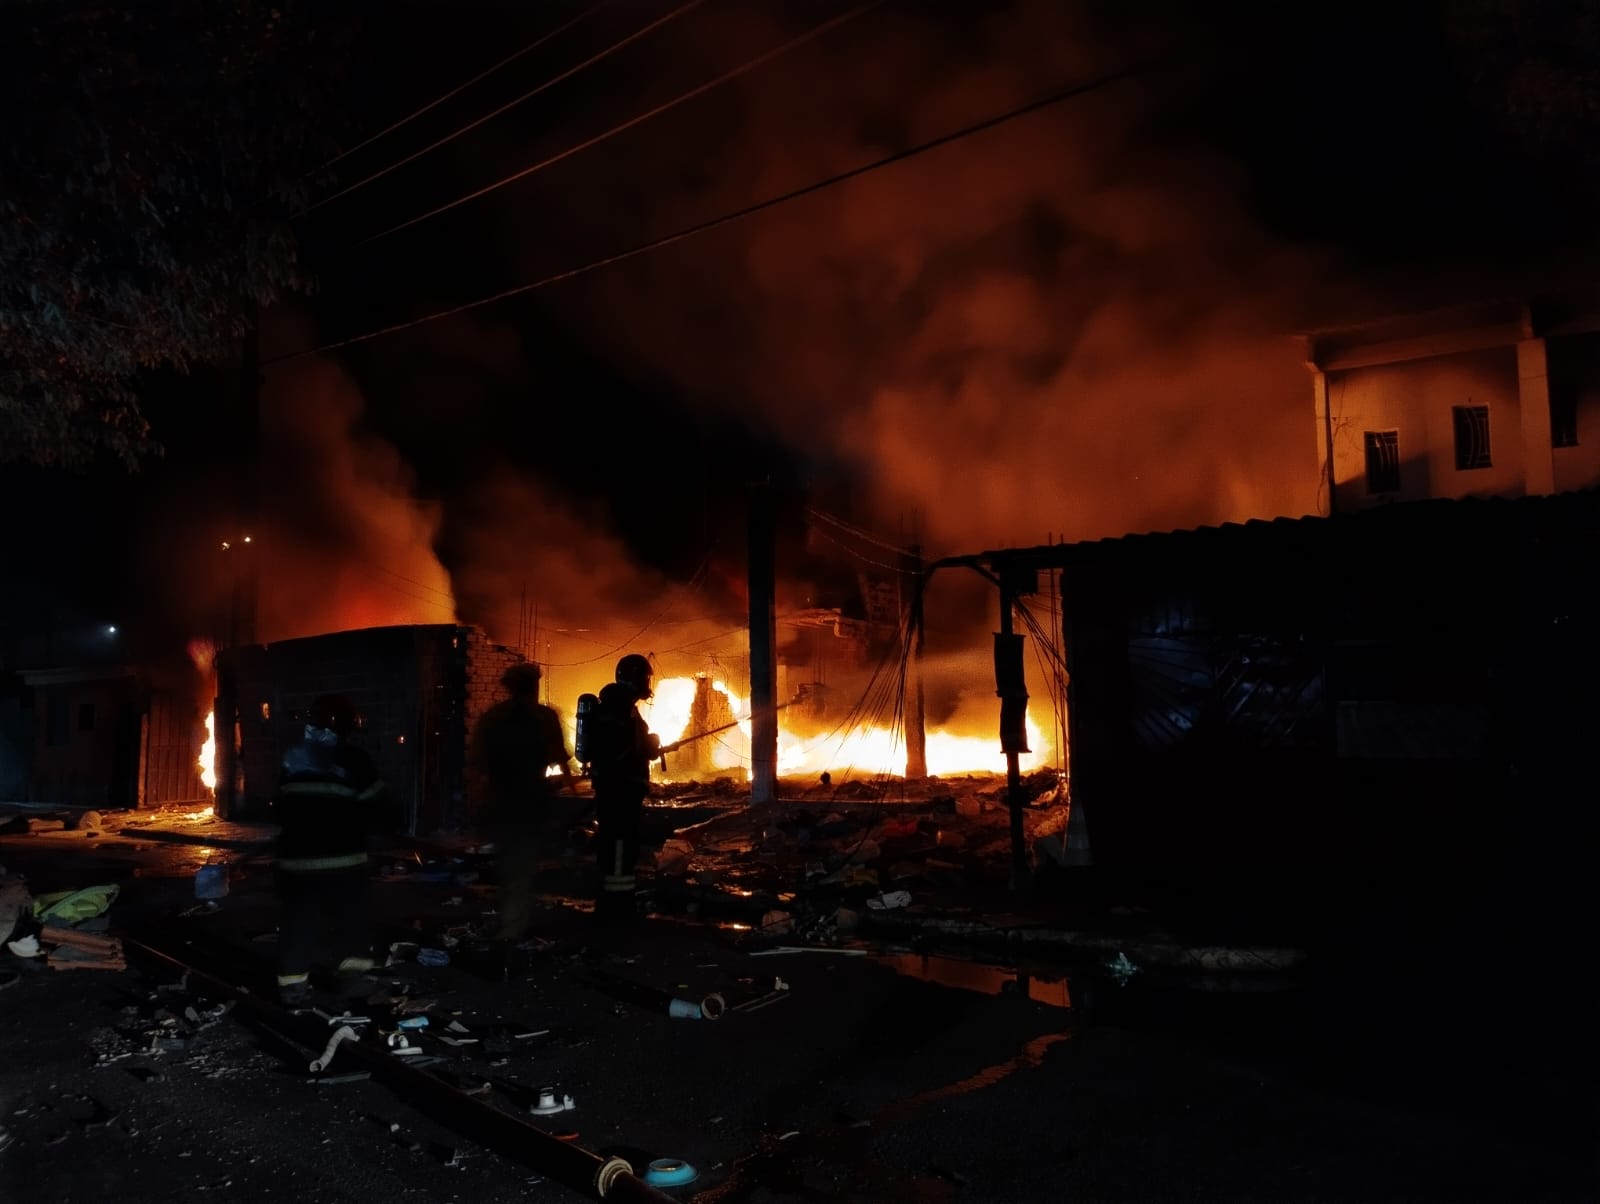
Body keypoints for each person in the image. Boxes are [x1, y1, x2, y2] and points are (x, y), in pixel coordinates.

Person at [272, 694, 385, 1006]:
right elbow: (376, 806)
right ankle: (353, 980)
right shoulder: (354, 759)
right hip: (343, 860)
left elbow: (280, 806)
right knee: (350, 921)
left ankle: (292, 987)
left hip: (295, 861)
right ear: (348, 727)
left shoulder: (292, 758)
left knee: (297, 922)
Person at [468, 662, 573, 941]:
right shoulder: (543, 717)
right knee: (522, 866)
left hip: (499, 801)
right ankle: (512, 930)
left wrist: (477, 800)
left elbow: (476, 763)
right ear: (534, 685)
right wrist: (569, 785)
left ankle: (509, 920)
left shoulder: (492, 717)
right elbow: (560, 759)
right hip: (528, 802)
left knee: (508, 863)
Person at [586, 654, 659, 922]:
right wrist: (650, 745)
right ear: (636, 677)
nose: (648, 683)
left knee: (617, 841)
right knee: (619, 843)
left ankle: (615, 897)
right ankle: (616, 904)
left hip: (617, 787)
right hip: (621, 789)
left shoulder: (617, 705)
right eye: (646, 677)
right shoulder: (619, 708)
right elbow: (628, 749)